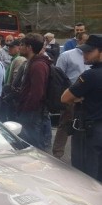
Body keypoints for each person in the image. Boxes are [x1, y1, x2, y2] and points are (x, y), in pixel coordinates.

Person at [61, 34, 102, 182]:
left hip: (89, 132)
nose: (84, 54)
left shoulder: (91, 75)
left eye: (89, 51)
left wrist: (79, 96)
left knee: (85, 177)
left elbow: (65, 98)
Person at [53, 32, 90, 159]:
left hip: (88, 97)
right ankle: (57, 153)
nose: (87, 44)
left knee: (84, 125)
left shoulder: (92, 56)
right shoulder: (67, 55)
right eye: (85, 41)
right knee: (65, 123)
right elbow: (58, 76)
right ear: (78, 40)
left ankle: (80, 154)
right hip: (71, 95)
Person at [16, 33, 52, 151]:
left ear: (29, 47)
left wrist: (26, 109)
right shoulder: (32, 62)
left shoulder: (38, 65)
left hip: (33, 114)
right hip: (30, 113)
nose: (19, 47)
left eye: (22, 45)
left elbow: (37, 92)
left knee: (35, 148)